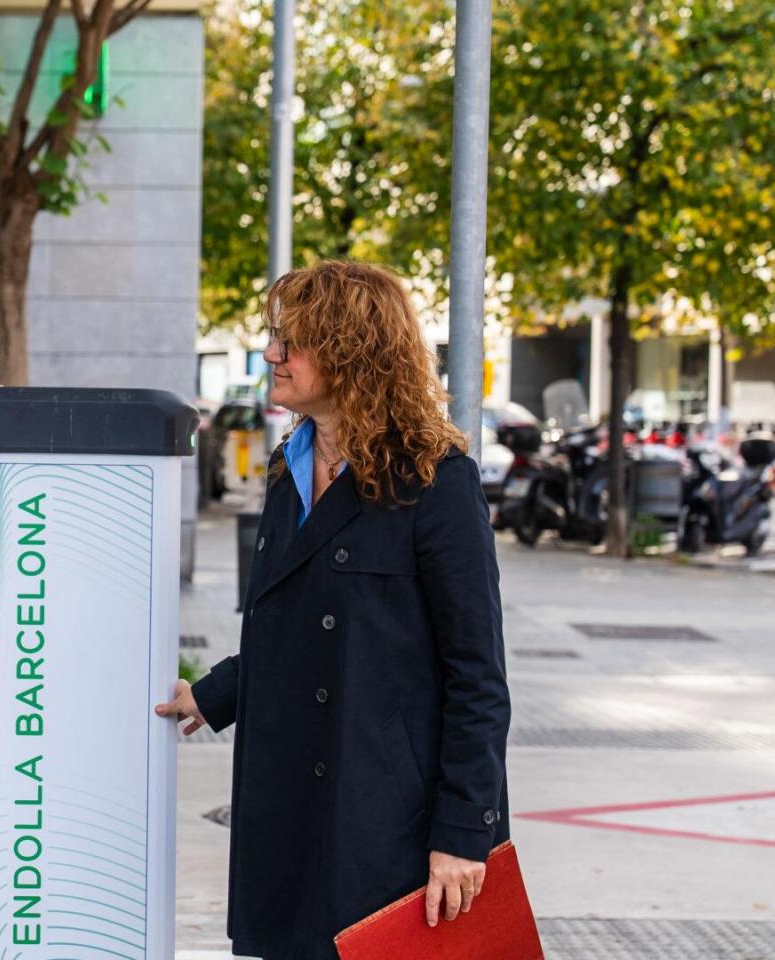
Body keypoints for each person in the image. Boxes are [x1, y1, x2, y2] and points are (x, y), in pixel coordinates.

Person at [156, 260, 510, 958]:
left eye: (293, 341)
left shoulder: (435, 482)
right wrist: (213, 693)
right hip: (289, 801)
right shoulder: (290, 468)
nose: (271, 355)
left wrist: (465, 832)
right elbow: (295, 627)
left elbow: (477, 674)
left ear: (352, 351)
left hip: (386, 817)